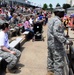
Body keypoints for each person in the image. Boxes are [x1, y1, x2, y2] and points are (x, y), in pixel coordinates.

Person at [47, 7, 72, 75]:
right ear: (57, 12)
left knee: (51, 60)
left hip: (51, 44)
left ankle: (50, 72)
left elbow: (53, 32)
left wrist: (63, 35)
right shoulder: (57, 21)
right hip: (56, 46)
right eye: (62, 12)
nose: (63, 13)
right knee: (59, 63)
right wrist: (65, 41)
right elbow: (56, 33)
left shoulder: (51, 20)